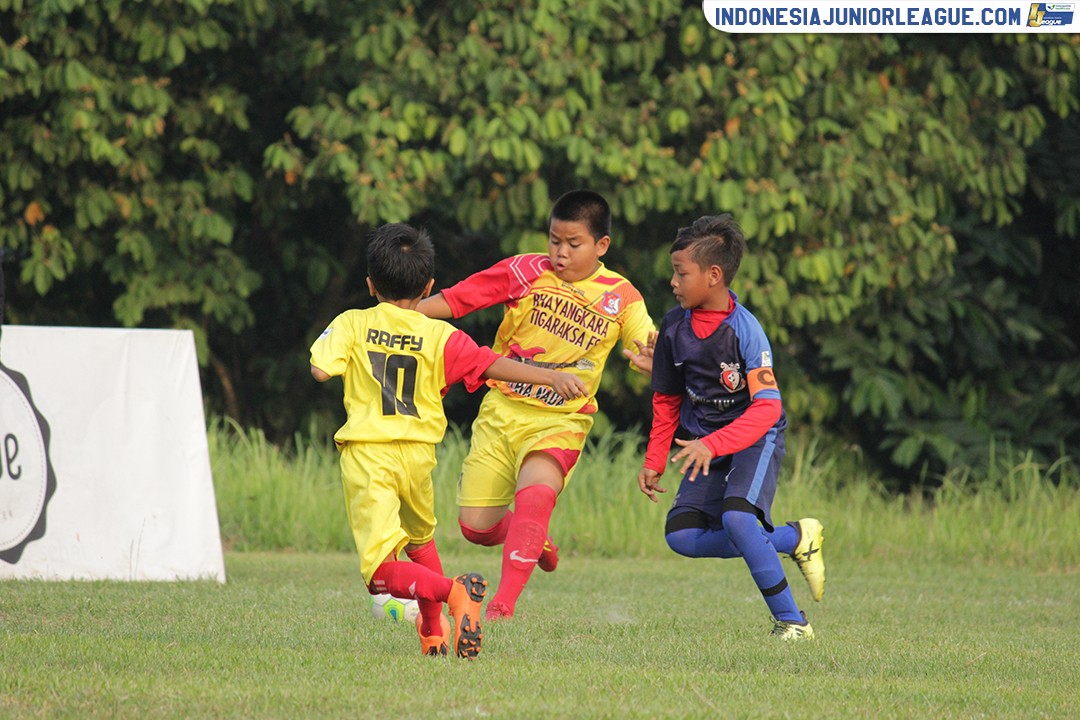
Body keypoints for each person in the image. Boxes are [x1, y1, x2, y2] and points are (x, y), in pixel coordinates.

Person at [309, 222, 587, 657]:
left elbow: (321, 370)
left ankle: (455, 593)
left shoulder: (353, 322)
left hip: (369, 456)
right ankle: (433, 636)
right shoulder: (440, 335)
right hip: (418, 457)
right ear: (429, 286)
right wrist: (551, 376)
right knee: (420, 543)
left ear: (369, 284)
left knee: (381, 572)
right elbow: (493, 364)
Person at [418, 189, 656, 620]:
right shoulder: (524, 270)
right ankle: (535, 539)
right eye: (554, 240)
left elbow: (647, 344)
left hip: (561, 421)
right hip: (501, 413)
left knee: (536, 495)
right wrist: (403, 314)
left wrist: (654, 361)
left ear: (602, 245)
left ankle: (502, 606)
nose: (561, 253)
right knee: (476, 526)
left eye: (574, 244)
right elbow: (458, 300)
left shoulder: (622, 297)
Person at [637, 214, 825, 640]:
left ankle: (793, 623)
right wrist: (654, 460)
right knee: (681, 536)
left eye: (681, 273)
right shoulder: (672, 327)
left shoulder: (747, 332)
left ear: (714, 275)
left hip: (755, 438)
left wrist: (712, 444)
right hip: (708, 442)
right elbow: (666, 400)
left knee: (739, 521)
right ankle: (794, 538)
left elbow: (765, 410)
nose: (673, 281)